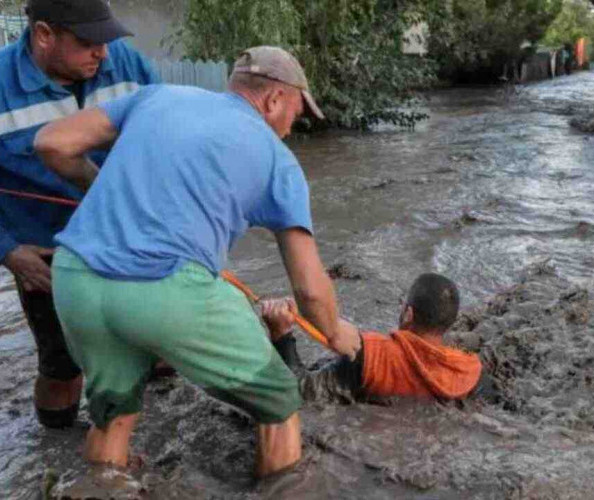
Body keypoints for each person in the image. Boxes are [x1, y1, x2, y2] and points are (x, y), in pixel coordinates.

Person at [33, 46, 361, 478]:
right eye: (295, 115)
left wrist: (98, 188)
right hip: (163, 289)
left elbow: (51, 142)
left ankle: (103, 485)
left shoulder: (158, 96)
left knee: (113, 415)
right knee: (280, 400)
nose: (290, 128)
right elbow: (309, 289)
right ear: (274, 99)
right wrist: (338, 334)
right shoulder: (279, 160)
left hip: (75, 278)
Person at [0, 0, 159, 429]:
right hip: (46, 256)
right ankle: (55, 451)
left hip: (132, 240)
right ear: (44, 35)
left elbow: (168, 138)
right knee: (62, 369)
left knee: (161, 344)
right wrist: (9, 251)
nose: (103, 53)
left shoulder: (126, 63)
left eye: (106, 39)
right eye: (88, 42)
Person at [261, 273, 482, 403]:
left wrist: (281, 334)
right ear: (449, 323)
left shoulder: (371, 356)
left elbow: (300, 391)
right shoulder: (466, 370)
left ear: (408, 314)